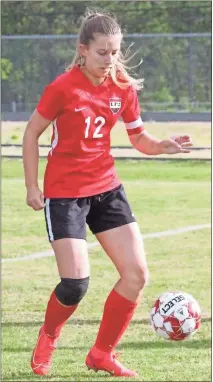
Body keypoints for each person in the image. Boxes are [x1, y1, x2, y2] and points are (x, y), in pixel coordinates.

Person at [22, 9, 192, 378]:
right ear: (82, 49)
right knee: (75, 285)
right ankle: (48, 335)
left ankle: (101, 354)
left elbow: (138, 138)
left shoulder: (123, 88)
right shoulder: (62, 88)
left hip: (106, 189)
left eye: (115, 52)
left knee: (136, 274)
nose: (110, 60)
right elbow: (31, 133)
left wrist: (163, 146)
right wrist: (32, 185)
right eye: (102, 52)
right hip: (65, 194)